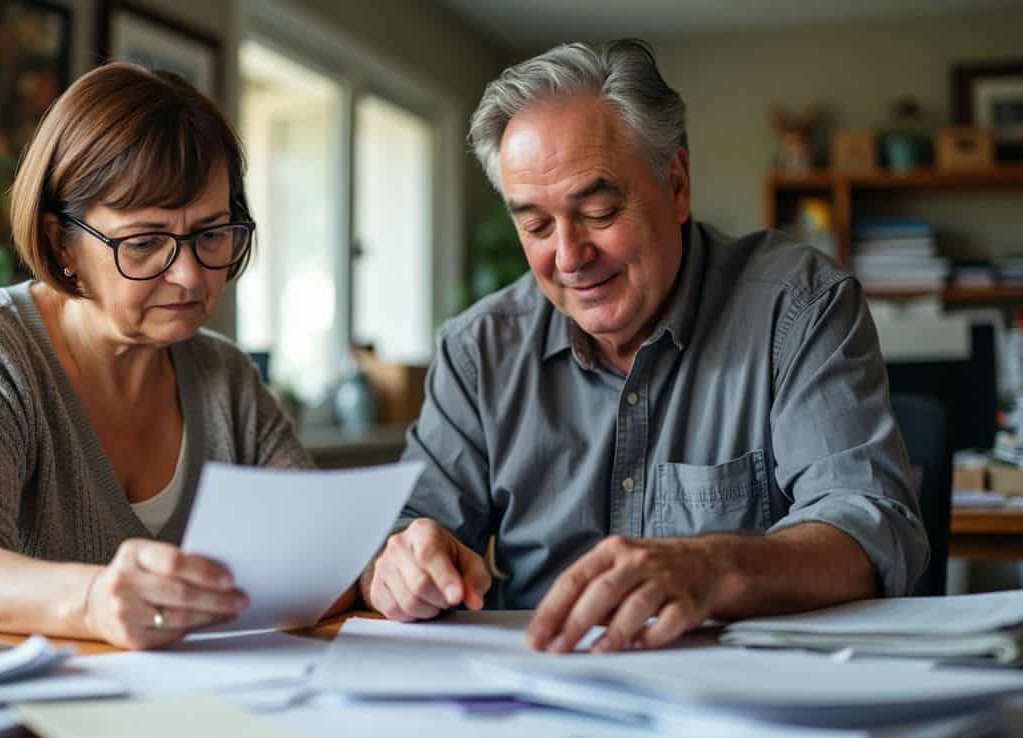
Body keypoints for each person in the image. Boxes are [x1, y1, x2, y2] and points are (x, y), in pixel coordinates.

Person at [357, 40, 928, 654]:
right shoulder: (478, 351)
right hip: (537, 692)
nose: (570, 258)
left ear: (676, 184)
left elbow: (871, 528)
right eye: (537, 226)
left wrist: (712, 569)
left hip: (743, 697)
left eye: (599, 212)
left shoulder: (799, 309)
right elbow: (400, 532)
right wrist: (399, 566)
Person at [0, 61, 312, 649]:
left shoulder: (224, 376)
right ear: (61, 241)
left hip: (94, 693)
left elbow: (314, 541)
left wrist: (390, 562)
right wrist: (97, 601)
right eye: (145, 242)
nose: (189, 275)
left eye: (211, 233)